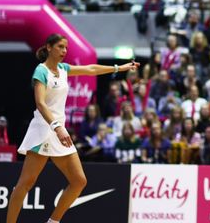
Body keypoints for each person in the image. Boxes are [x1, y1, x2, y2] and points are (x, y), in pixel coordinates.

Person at [8, 34, 138, 223]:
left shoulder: (63, 69)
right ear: (49, 47)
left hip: (59, 131)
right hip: (44, 130)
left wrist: (119, 67)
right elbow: (41, 103)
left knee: (79, 181)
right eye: (60, 47)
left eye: (66, 48)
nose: (64, 51)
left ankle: (53, 221)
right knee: (25, 184)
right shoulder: (41, 71)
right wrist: (57, 127)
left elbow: (91, 69)